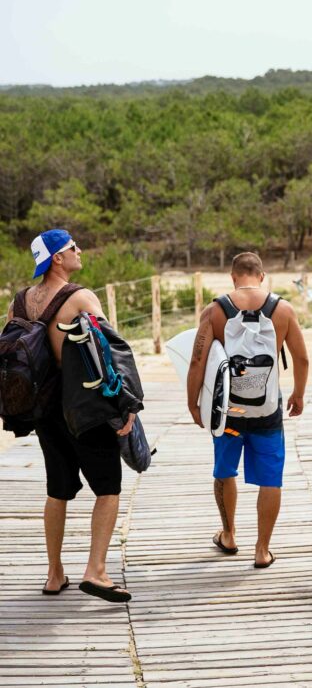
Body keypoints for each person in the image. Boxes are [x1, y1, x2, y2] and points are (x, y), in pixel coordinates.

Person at [5, 230, 137, 602]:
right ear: (57, 260)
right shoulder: (80, 297)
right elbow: (110, 354)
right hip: (85, 408)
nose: (80, 251)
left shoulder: (20, 302)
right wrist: (126, 406)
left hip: (44, 408)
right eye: (72, 248)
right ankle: (96, 571)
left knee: (57, 489)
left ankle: (54, 573)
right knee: (108, 487)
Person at [187, 252, 309, 568]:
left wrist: (194, 402)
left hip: (230, 413)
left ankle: (228, 534)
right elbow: (302, 358)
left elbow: (198, 361)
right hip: (267, 411)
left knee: (225, 471)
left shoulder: (214, 311)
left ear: (232, 277)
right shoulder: (282, 309)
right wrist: (298, 393)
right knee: (271, 479)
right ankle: (262, 549)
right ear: (262, 275)